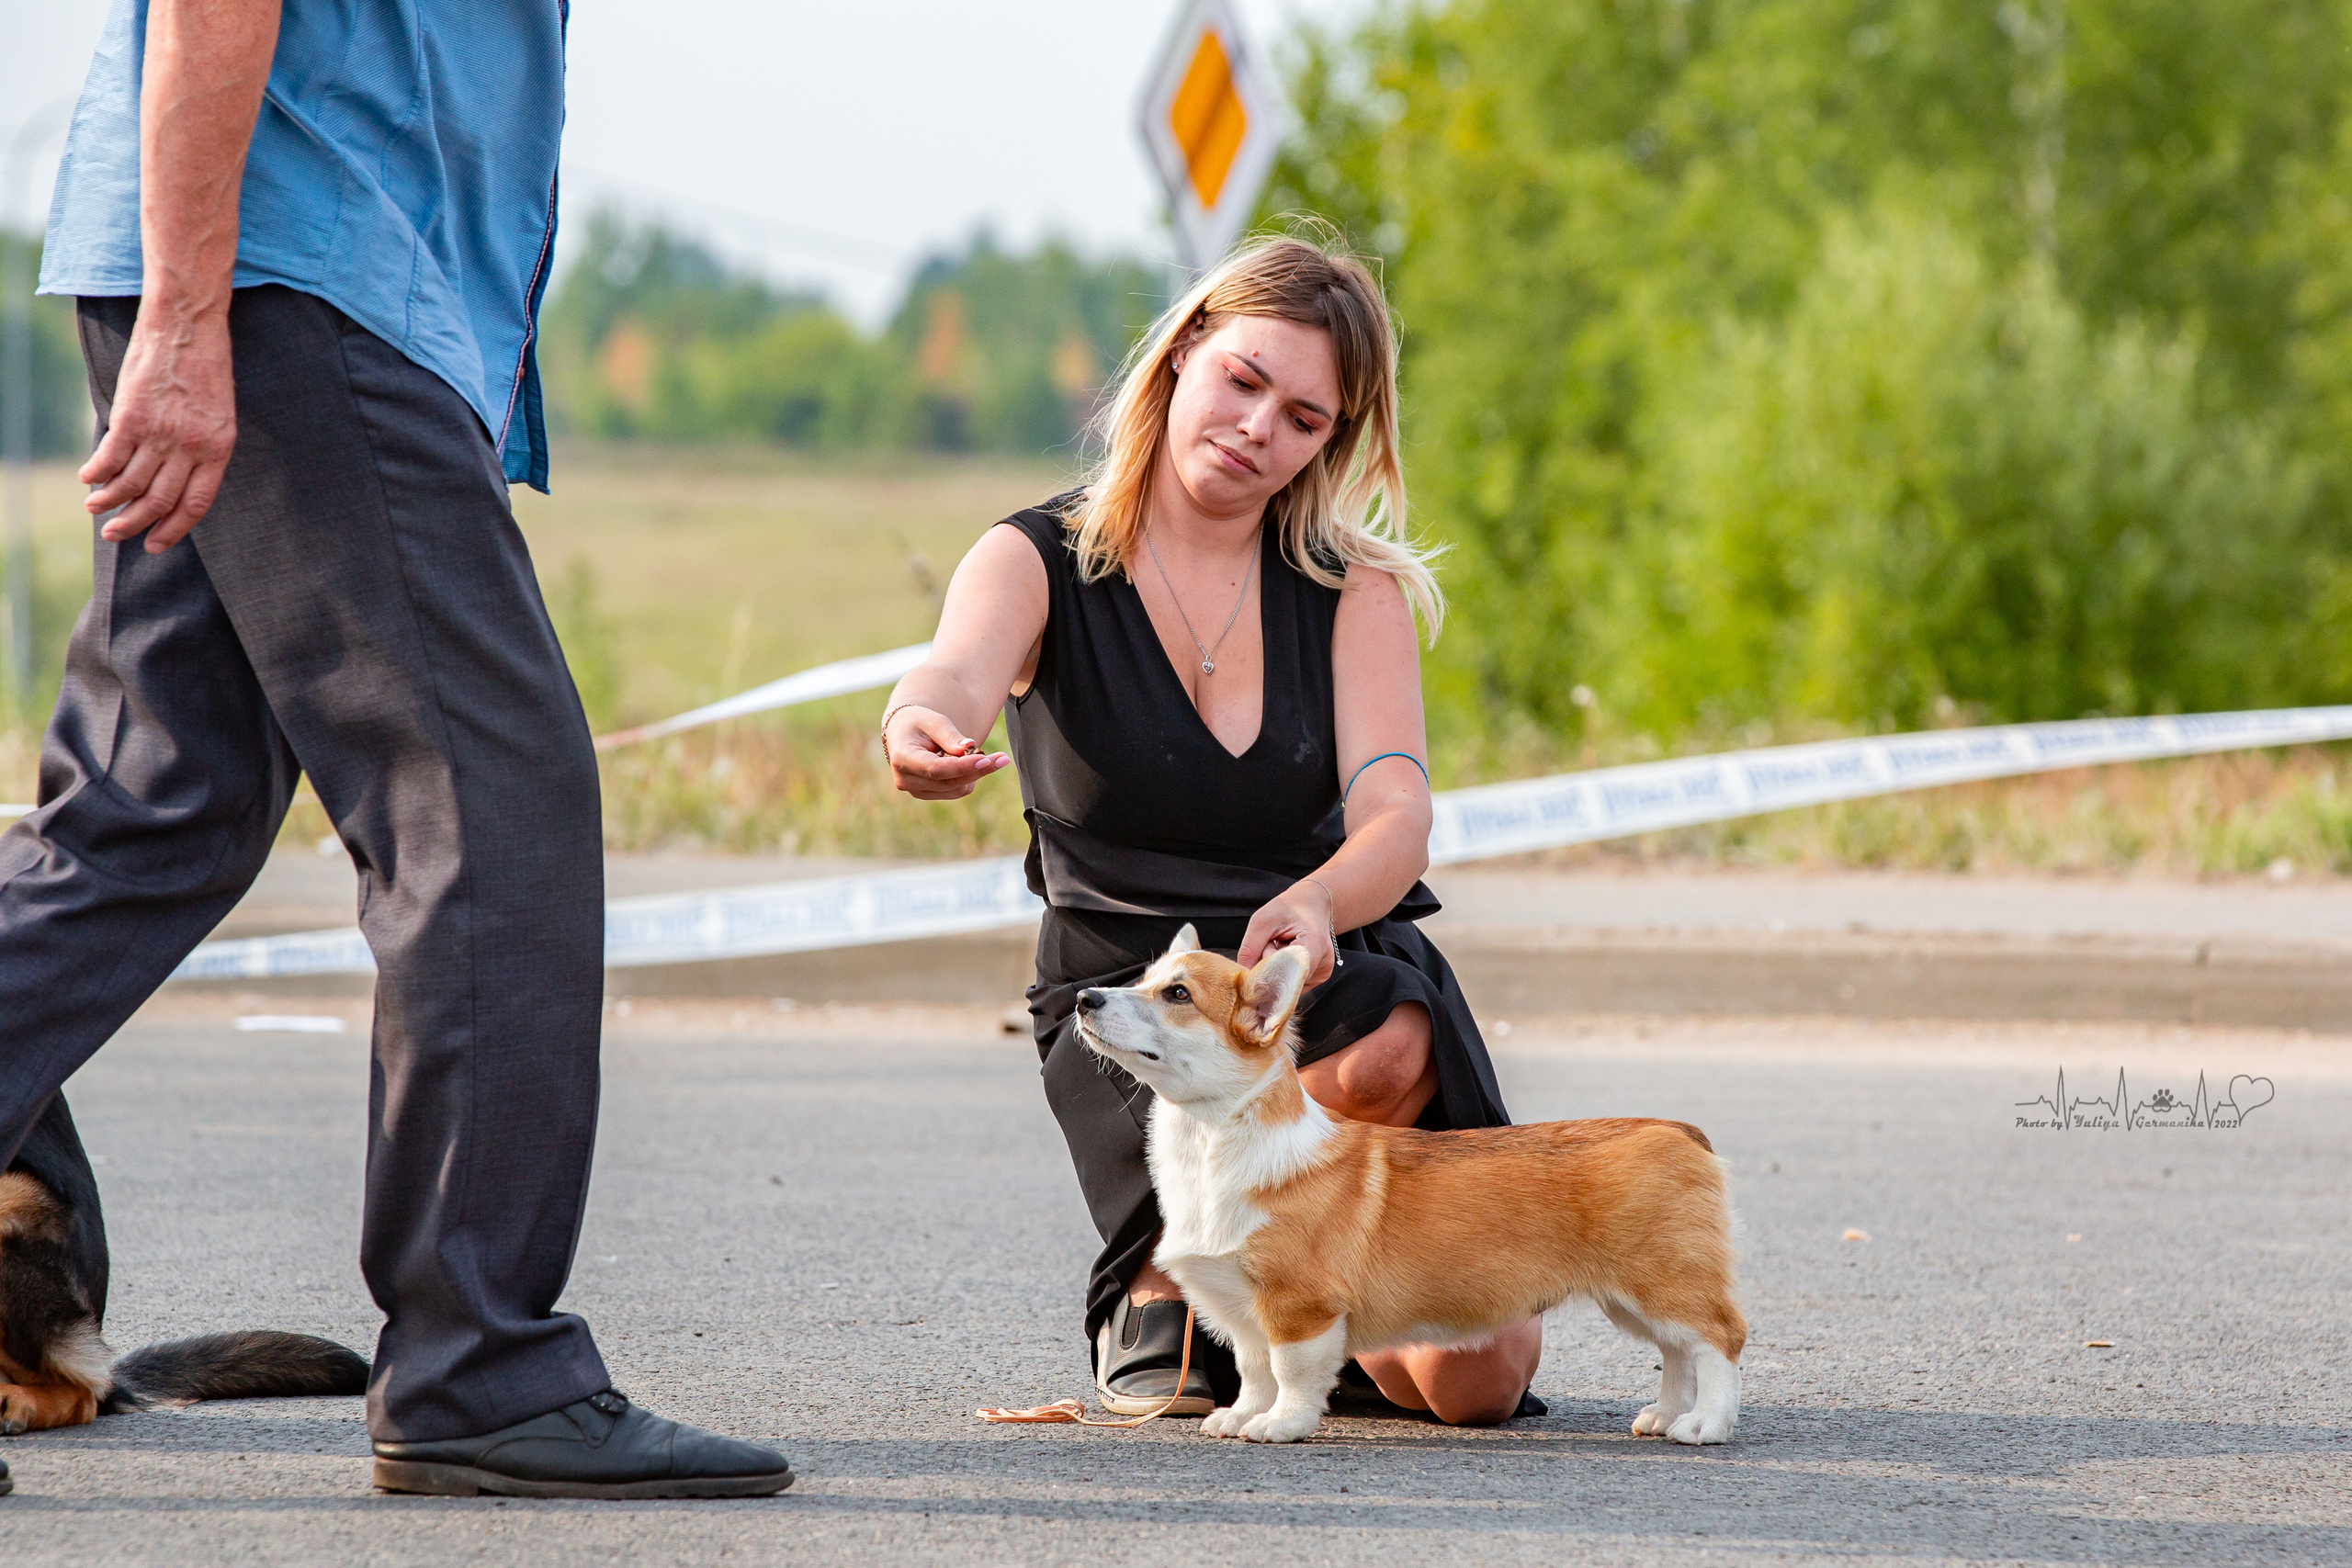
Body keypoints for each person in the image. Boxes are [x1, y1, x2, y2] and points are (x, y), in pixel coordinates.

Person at [8, 0, 791, 1497]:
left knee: (150, 806)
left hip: (258, 252)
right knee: (488, 806)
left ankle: (476, 1363)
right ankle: (480, 1367)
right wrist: (189, 316)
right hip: (290, 260)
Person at [882, 233, 1545, 1425]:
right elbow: (949, 674)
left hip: (1307, 971)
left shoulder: (1356, 591)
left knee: (1481, 1383)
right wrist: (918, 727)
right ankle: (1173, 1275)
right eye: (1243, 381)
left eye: (1304, 418)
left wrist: (1327, 902)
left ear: (1330, 442)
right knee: (1383, 1052)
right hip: (1134, 998)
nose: (1258, 431)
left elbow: (1399, 816)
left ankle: (1296, 1295)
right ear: (1184, 353)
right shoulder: (1036, 557)